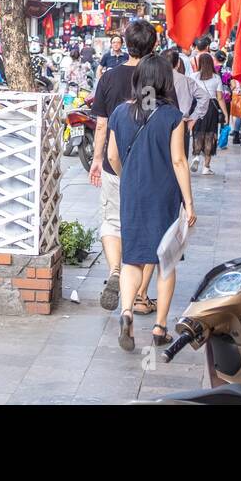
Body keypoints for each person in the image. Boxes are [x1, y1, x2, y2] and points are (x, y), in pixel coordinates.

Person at [107, 53, 196, 350]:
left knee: (132, 258)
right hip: (164, 194)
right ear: (164, 82)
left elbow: (112, 157)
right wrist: (189, 203)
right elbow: (179, 161)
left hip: (132, 192)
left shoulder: (120, 113)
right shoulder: (172, 117)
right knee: (165, 262)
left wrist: (127, 178)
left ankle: (128, 311)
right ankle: (159, 328)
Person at [89, 18, 157, 315]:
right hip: (144, 165)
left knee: (112, 221)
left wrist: (96, 159)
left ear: (125, 45)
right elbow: (152, 121)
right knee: (143, 226)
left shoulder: (110, 77)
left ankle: (116, 270)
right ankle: (140, 296)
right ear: (153, 45)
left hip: (112, 163)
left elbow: (101, 125)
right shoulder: (151, 81)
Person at [167, 48, 209, 160]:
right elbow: (204, 97)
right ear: (178, 63)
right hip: (182, 123)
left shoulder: (154, 80)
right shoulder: (186, 80)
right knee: (180, 159)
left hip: (159, 124)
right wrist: (194, 117)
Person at [190, 52, 226, 173]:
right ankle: (206, 167)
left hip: (198, 105)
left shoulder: (193, 76)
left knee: (198, 132)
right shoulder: (216, 78)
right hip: (211, 107)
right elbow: (220, 98)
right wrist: (225, 113)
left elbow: (189, 94)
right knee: (210, 134)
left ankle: (195, 156)